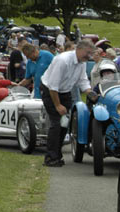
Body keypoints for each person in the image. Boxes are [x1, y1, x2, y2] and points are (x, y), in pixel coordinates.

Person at [40, 39, 96, 167]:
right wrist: (58, 105)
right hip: (50, 91)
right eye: (87, 53)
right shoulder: (62, 60)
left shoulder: (82, 63)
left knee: (64, 125)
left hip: (65, 91)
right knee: (56, 124)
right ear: (79, 49)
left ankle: (57, 154)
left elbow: (82, 81)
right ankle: (50, 158)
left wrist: (90, 93)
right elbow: (53, 86)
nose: (89, 56)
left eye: (91, 53)